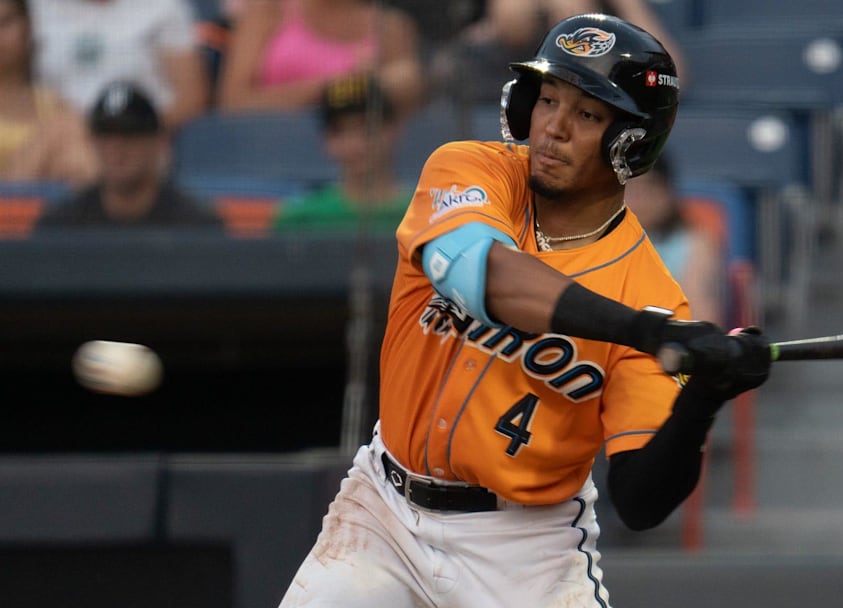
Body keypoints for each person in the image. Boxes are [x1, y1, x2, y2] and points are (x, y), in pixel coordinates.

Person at [277, 14, 770, 608]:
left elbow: (641, 502)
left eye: (587, 115)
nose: (554, 129)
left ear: (630, 142)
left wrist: (701, 400)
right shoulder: (469, 169)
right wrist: (643, 330)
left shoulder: (652, 292)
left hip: (522, 548)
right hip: (384, 509)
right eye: (547, 100)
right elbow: (477, 272)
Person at [36, 81, 222, 229]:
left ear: (157, 142)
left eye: (130, 133)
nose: (117, 146)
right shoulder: (63, 225)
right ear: (92, 142)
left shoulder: (195, 225)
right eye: (106, 135)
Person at [433, 0, 688, 105]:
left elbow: (673, 80)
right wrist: (502, 26)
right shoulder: (484, 38)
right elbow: (440, 76)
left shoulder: (617, 20)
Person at [216, 0, 424, 116]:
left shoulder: (391, 26)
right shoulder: (267, 11)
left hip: (356, 164)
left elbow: (406, 92)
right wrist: (334, 87)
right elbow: (234, 102)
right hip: (267, 154)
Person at [29, 0, 209, 131]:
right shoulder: (34, 9)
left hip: (138, 138)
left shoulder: (162, 6)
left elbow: (191, 98)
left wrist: (134, 133)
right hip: (54, 136)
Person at [273, 73, 409, 233]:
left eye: (368, 129)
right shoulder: (300, 217)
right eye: (339, 131)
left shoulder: (427, 213)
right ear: (325, 140)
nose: (354, 144)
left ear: (394, 129)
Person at [0, 0, 96, 185]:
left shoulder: (54, 104)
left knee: (76, 156)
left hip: (37, 205)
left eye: (4, 23)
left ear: (27, 28)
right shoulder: (62, 122)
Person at [625, 153, 725, 324]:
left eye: (650, 190)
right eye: (631, 190)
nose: (640, 201)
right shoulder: (596, 244)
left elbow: (701, 316)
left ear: (668, 193)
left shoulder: (695, 244)